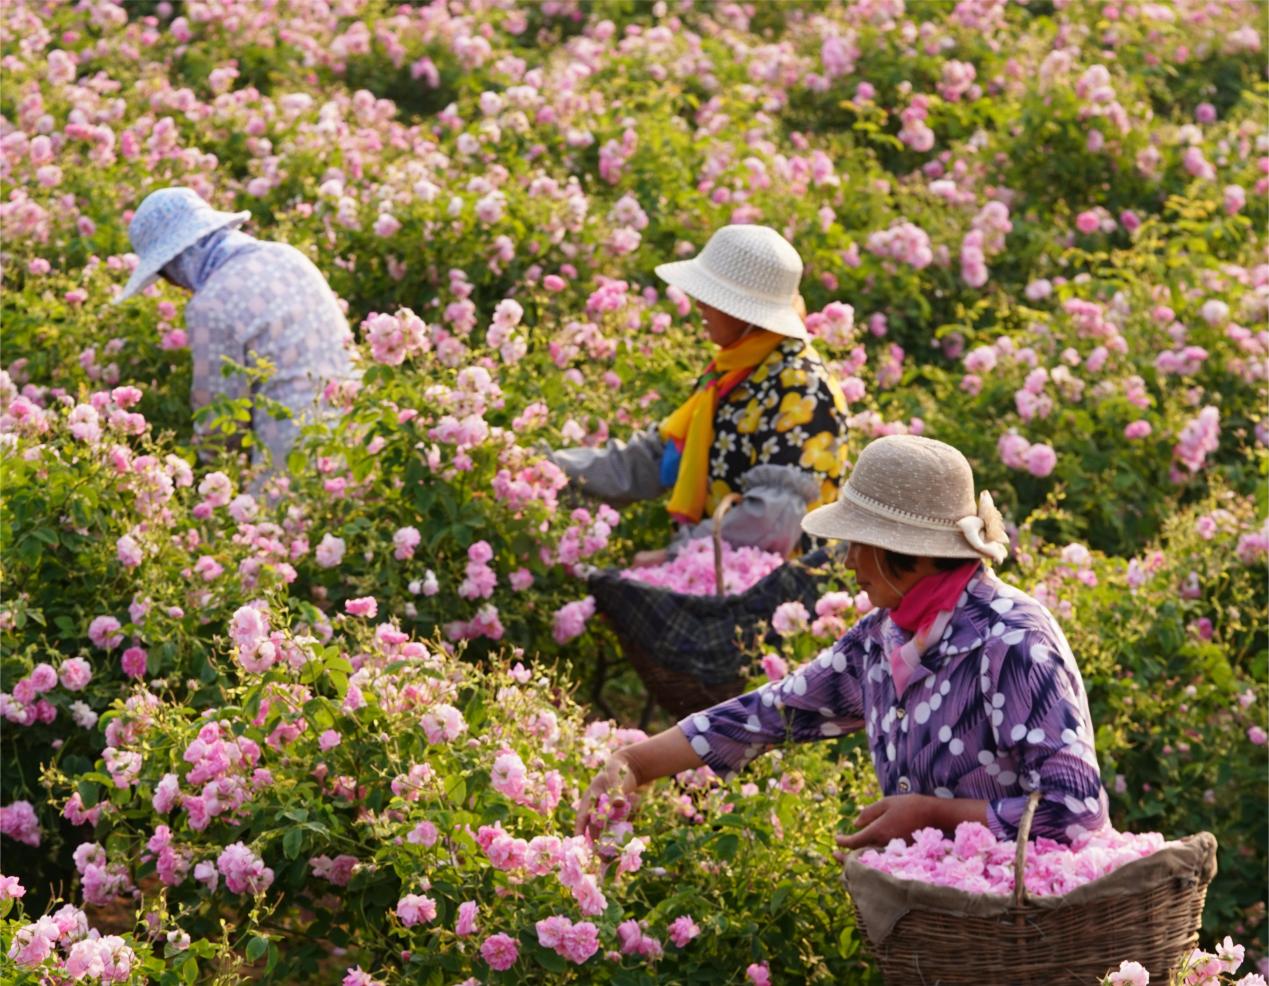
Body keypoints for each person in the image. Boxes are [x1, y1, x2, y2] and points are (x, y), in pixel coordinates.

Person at [575, 434, 1110, 848]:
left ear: (912, 553)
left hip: (1024, 939)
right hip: (945, 927)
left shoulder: (1013, 641)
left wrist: (931, 814)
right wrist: (635, 763)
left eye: (860, 544)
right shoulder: (887, 636)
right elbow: (770, 711)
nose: (848, 560)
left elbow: (1077, 811)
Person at [553, 224, 849, 562]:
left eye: (711, 297)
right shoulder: (734, 371)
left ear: (745, 311)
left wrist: (674, 556)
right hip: (715, 577)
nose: (698, 306)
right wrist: (552, 470)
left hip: (773, 597)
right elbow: (658, 458)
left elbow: (772, 520)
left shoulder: (803, 389)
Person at [115, 186, 358, 468]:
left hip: (297, 454)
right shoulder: (288, 256)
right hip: (359, 431)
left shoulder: (211, 303)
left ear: (173, 265)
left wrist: (206, 473)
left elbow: (220, 416)